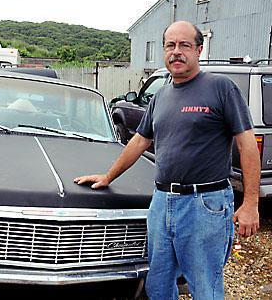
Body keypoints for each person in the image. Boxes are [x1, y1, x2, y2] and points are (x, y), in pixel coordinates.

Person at [74, 21, 260, 299]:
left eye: (184, 45)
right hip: (162, 203)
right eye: (170, 45)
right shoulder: (161, 95)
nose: (176, 52)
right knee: (158, 286)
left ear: (199, 49)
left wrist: (251, 204)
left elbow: (247, 146)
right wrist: (108, 176)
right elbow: (139, 141)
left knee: (204, 287)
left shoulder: (221, 87)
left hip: (205, 205)